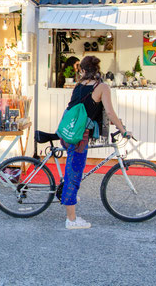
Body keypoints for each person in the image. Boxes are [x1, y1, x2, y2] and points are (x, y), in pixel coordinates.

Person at [61, 55, 132, 230]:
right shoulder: (101, 87)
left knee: (73, 171)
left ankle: (69, 195)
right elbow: (110, 112)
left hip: (66, 133)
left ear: (83, 70)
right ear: (97, 70)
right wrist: (123, 130)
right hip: (79, 138)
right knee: (73, 176)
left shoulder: (78, 85)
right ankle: (71, 219)